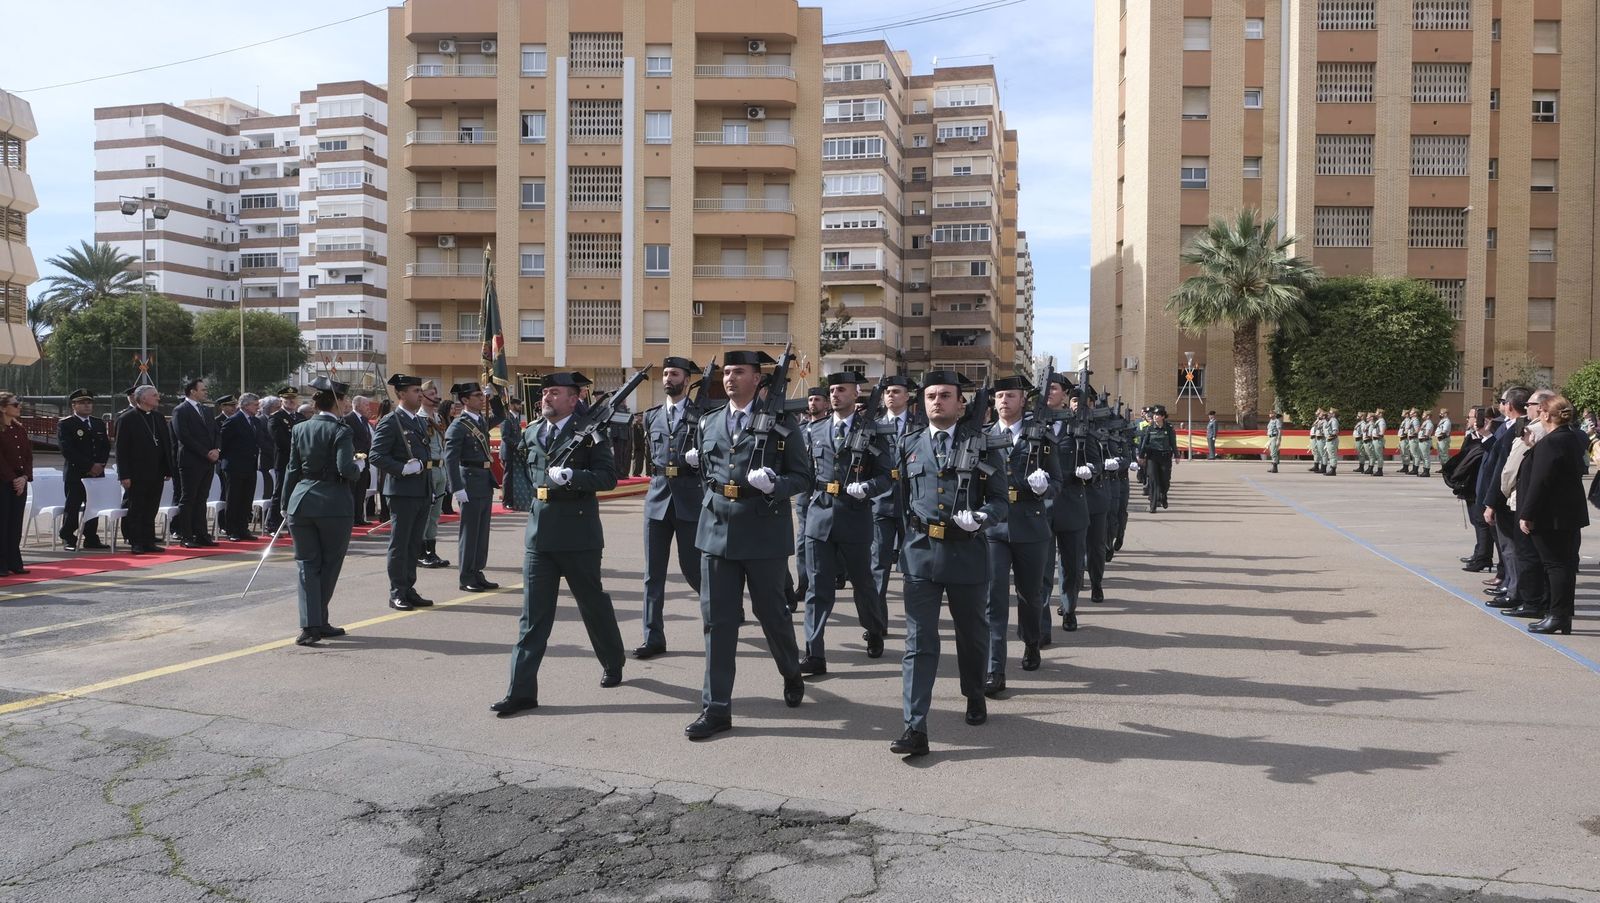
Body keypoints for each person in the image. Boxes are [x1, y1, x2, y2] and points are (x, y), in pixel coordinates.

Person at [681, 350, 811, 739]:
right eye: (727, 372)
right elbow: (706, 473)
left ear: (758, 379)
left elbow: (803, 478)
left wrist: (775, 485)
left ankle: (791, 671)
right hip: (716, 529)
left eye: (739, 372)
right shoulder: (709, 421)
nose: (730, 378)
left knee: (772, 614)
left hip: (763, 530)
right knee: (717, 622)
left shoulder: (783, 424)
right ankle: (716, 708)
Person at [492, 371, 626, 717]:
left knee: (592, 605)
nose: (546, 398)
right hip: (540, 535)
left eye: (554, 393)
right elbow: (521, 467)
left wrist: (574, 478)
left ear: (573, 398)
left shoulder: (592, 432)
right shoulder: (534, 431)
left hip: (579, 535)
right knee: (532, 617)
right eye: (544, 393)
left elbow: (609, 478)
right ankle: (520, 691)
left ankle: (613, 661)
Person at [890, 371, 1010, 757]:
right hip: (921, 552)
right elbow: (901, 502)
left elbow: (1000, 502)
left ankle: (974, 694)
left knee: (971, 636)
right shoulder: (908, 443)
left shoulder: (985, 445)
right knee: (918, 642)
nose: (936, 402)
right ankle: (914, 726)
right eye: (929, 396)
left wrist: (982, 518)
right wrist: (899, 547)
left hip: (966, 552)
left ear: (962, 403)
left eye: (945, 396)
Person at [800, 371, 896, 673]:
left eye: (841, 390)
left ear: (856, 394)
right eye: (832, 390)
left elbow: (886, 476)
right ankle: (814, 652)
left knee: (863, 583)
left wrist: (868, 487)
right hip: (820, 515)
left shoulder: (875, 431)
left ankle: (874, 627)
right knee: (818, 588)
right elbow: (804, 471)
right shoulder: (815, 430)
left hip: (855, 516)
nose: (835, 395)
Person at [982, 375, 1058, 695]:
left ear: (1022, 400)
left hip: (1030, 522)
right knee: (992, 599)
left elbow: (1058, 482)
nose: (1003, 401)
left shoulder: (1040, 436)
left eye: (1010, 396)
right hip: (994, 529)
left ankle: (1031, 642)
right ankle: (994, 668)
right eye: (999, 396)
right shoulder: (983, 436)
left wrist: (1045, 487)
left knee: (1031, 596)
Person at [282, 377, 363, 646]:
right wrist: (358, 468)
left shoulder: (300, 428)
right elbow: (345, 469)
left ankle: (312, 623)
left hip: (300, 502)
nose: (348, 404)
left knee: (307, 565)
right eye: (346, 400)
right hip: (333, 504)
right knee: (329, 565)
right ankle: (317, 621)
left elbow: (292, 469)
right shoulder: (342, 430)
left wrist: (285, 503)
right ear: (337, 402)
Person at [636, 357, 706, 659]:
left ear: (686, 381)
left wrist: (698, 459)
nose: (668, 378)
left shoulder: (703, 414)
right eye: (665, 373)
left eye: (674, 374)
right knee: (653, 574)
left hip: (690, 499)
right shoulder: (651, 416)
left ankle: (721, 612)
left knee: (694, 570)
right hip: (658, 498)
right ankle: (653, 636)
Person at [1519, 396, 1586, 635]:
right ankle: (1562, 616)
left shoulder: (1551, 442)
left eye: (1540, 410)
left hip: (1551, 515)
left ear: (1546, 415)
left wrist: (1527, 513)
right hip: (1567, 513)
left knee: (1555, 566)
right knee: (1564, 566)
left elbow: (1541, 481)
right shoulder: (1571, 437)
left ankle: (1557, 615)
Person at [369, 373, 435, 611]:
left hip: (421, 490)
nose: (420, 394)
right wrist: (402, 469)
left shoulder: (418, 421)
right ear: (400, 394)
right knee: (400, 544)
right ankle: (397, 591)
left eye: (420, 390)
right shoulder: (390, 421)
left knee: (414, 543)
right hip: (402, 491)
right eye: (415, 391)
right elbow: (376, 455)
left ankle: (408, 587)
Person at [1041, 373, 1092, 633]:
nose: (1048, 392)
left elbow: (1093, 459)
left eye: (1053, 388)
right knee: (1042, 569)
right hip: (1040, 506)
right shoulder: (1032, 423)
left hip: (1072, 502)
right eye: (1045, 388)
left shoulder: (1078, 424)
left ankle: (1069, 608)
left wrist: (1089, 470)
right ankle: (1040, 623)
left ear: (1064, 394)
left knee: (1071, 566)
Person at [1478, 388, 1536, 615]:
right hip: (1500, 494)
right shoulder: (1506, 427)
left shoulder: (1520, 430)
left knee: (1511, 548)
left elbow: (1507, 469)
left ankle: (1515, 590)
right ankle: (1510, 585)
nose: (1500, 406)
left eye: (1502, 401)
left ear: (1510, 405)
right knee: (1507, 547)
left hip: (1506, 497)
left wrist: (1492, 501)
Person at [446, 381, 502, 593]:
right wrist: (456, 487)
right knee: (469, 533)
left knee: (482, 532)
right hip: (468, 482)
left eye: (482, 395)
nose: (481, 398)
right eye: (477, 395)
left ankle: (478, 571)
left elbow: (502, 416)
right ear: (465, 400)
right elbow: (450, 459)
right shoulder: (458, 426)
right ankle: (466, 576)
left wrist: (494, 396)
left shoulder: (481, 422)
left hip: (484, 480)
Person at [872, 376, 920, 622]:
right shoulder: (874, 425)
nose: (891, 396)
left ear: (907, 396)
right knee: (878, 565)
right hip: (881, 502)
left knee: (912, 566)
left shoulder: (919, 425)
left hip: (911, 503)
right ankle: (878, 622)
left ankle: (916, 618)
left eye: (897, 391)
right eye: (887, 392)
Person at [115, 386, 173, 555]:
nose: (158, 398)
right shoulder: (127, 419)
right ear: (143, 398)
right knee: (137, 509)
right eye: (154, 395)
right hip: (136, 473)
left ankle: (149, 540)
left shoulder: (158, 417)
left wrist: (168, 469)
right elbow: (121, 450)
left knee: (151, 508)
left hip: (156, 472)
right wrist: (124, 475)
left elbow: (165, 445)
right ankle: (136, 542)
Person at [790, 386, 831, 609]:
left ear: (826, 404)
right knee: (803, 541)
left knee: (826, 540)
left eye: (818, 400)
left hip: (826, 492)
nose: (813, 403)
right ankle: (803, 583)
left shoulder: (830, 428)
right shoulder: (800, 429)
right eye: (811, 399)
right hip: (806, 492)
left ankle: (830, 576)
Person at [57, 388, 112, 551]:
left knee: (93, 505)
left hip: (96, 472)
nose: (87, 406)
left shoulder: (97, 423)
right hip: (76, 473)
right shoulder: (66, 424)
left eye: (89, 402)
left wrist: (100, 464)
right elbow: (67, 449)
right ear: (74, 405)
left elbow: (105, 446)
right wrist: (89, 466)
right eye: (82, 403)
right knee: (73, 506)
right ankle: (68, 537)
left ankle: (91, 537)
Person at [172, 378, 220, 548]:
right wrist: (205, 452)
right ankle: (187, 535)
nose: (205, 392)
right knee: (188, 498)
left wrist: (216, 450)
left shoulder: (206, 410)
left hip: (208, 462)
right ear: (192, 391)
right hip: (191, 461)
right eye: (203, 389)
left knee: (202, 498)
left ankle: (201, 534)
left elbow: (215, 432)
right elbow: (184, 436)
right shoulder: (180, 410)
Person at [415, 382, 452, 569]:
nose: (436, 397)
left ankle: (431, 550)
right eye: (432, 393)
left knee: (436, 514)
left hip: (440, 470)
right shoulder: (418, 418)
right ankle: (420, 552)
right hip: (427, 470)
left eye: (436, 393)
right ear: (422, 396)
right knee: (425, 513)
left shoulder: (438, 418)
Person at [217, 393, 260, 541]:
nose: (257, 407)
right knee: (234, 499)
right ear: (246, 405)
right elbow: (222, 443)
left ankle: (243, 528)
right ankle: (232, 530)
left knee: (246, 499)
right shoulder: (233, 421)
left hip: (250, 466)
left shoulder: (254, 421)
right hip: (234, 467)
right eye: (255, 404)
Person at [0, 393, 33, 574]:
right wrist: (13, 478)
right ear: (3, 408)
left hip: (19, 481)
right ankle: (2, 563)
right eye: (15, 404)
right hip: (4, 482)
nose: (19, 407)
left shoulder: (19, 428)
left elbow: (27, 456)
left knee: (15, 523)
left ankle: (14, 561)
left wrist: (25, 477)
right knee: (2, 522)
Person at [266, 386, 301, 532]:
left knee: (297, 492)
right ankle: (272, 523)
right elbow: (281, 441)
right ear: (282, 400)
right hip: (284, 461)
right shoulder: (276, 418)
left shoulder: (300, 418)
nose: (291, 401)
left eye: (293, 398)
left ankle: (293, 521)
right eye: (287, 399)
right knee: (280, 492)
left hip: (300, 461)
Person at [1136, 405, 1177, 509]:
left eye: (1158, 414)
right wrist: (1141, 456)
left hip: (1165, 457)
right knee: (1153, 480)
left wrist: (1177, 455)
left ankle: (1163, 495)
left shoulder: (1169, 428)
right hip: (1152, 457)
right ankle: (1153, 504)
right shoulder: (1149, 428)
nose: (1155, 416)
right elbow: (1145, 443)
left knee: (1165, 480)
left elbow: (1173, 442)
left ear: (1163, 416)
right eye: (1154, 414)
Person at [345, 395, 374, 526]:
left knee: (361, 490)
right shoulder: (348, 419)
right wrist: (355, 456)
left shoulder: (364, 420)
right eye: (365, 405)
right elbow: (348, 440)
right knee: (352, 490)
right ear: (357, 405)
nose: (368, 407)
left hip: (365, 461)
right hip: (354, 461)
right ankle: (351, 517)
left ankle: (359, 517)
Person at [251, 395, 278, 525]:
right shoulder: (260, 420)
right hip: (266, 460)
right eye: (276, 407)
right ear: (268, 408)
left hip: (276, 460)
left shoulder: (276, 419)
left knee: (274, 490)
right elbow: (261, 441)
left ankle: (272, 517)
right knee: (266, 490)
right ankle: (264, 518)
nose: (278, 409)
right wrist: (275, 452)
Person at [500, 397, 528, 510]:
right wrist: (518, 446)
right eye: (518, 405)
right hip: (508, 452)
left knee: (512, 477)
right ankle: (506, 501)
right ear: (511, 405)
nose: (520, 407)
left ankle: (512, 499)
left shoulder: (515, 418)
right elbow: (505, 437)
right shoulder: (507, 418)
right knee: (508, 478)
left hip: (514, 452)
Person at [609, 397, 632, 473]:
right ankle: (618, 472)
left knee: (624, 454)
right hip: (618, 435)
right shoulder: (617, 407)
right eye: (624, 399)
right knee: (618, 455)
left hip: (625, 435)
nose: (625, 400)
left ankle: (623, 472)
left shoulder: (625, 408)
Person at [628, 410, 648, 478]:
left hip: (642, 446)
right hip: (636, 446)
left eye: (642, 416)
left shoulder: (642, 425)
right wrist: (635, 447)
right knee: (636, 460)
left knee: (641, 460)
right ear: (636, 417)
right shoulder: (634, 425)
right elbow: (633, 437)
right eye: (640, 416)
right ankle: (635, 473)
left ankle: (639, 472)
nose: (641, 417)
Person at [1417, 409, 1436, 477]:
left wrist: (1424, 438)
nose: (1422, 416)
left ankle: (1426, 471)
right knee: (1423, 456)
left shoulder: (1429, 423)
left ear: (1428, 416)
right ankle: (1424, 470)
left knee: (1426, 457)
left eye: (1424, 414)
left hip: (1425, 441)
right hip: (1422, 441)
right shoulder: (1425, 422)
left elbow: (1427, 433)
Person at [1323, 408, 1341, 476]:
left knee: (1333, 455)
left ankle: (1333, 470)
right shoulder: (1331, 420)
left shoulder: (1334, 421)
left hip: (1332, 440)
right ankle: (1331, 469)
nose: (1328, 414)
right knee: (1331, 455)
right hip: (1330, 440)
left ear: (1333, 414)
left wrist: (1330, 438)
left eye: (1330, 413)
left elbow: (1335, 431)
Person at [1370, 408, 1388, 476]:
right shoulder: (1378, 421)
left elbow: (1382, 432)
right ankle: (1379, 470)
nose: (1375, 413)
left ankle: (1380, 471)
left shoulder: (1381, 421)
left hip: (1378, 440)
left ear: (1380, 414)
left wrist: (1377, 436)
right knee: (1377, 455)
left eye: (1377, 412)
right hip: (1376, 440)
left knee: (1379, 456)